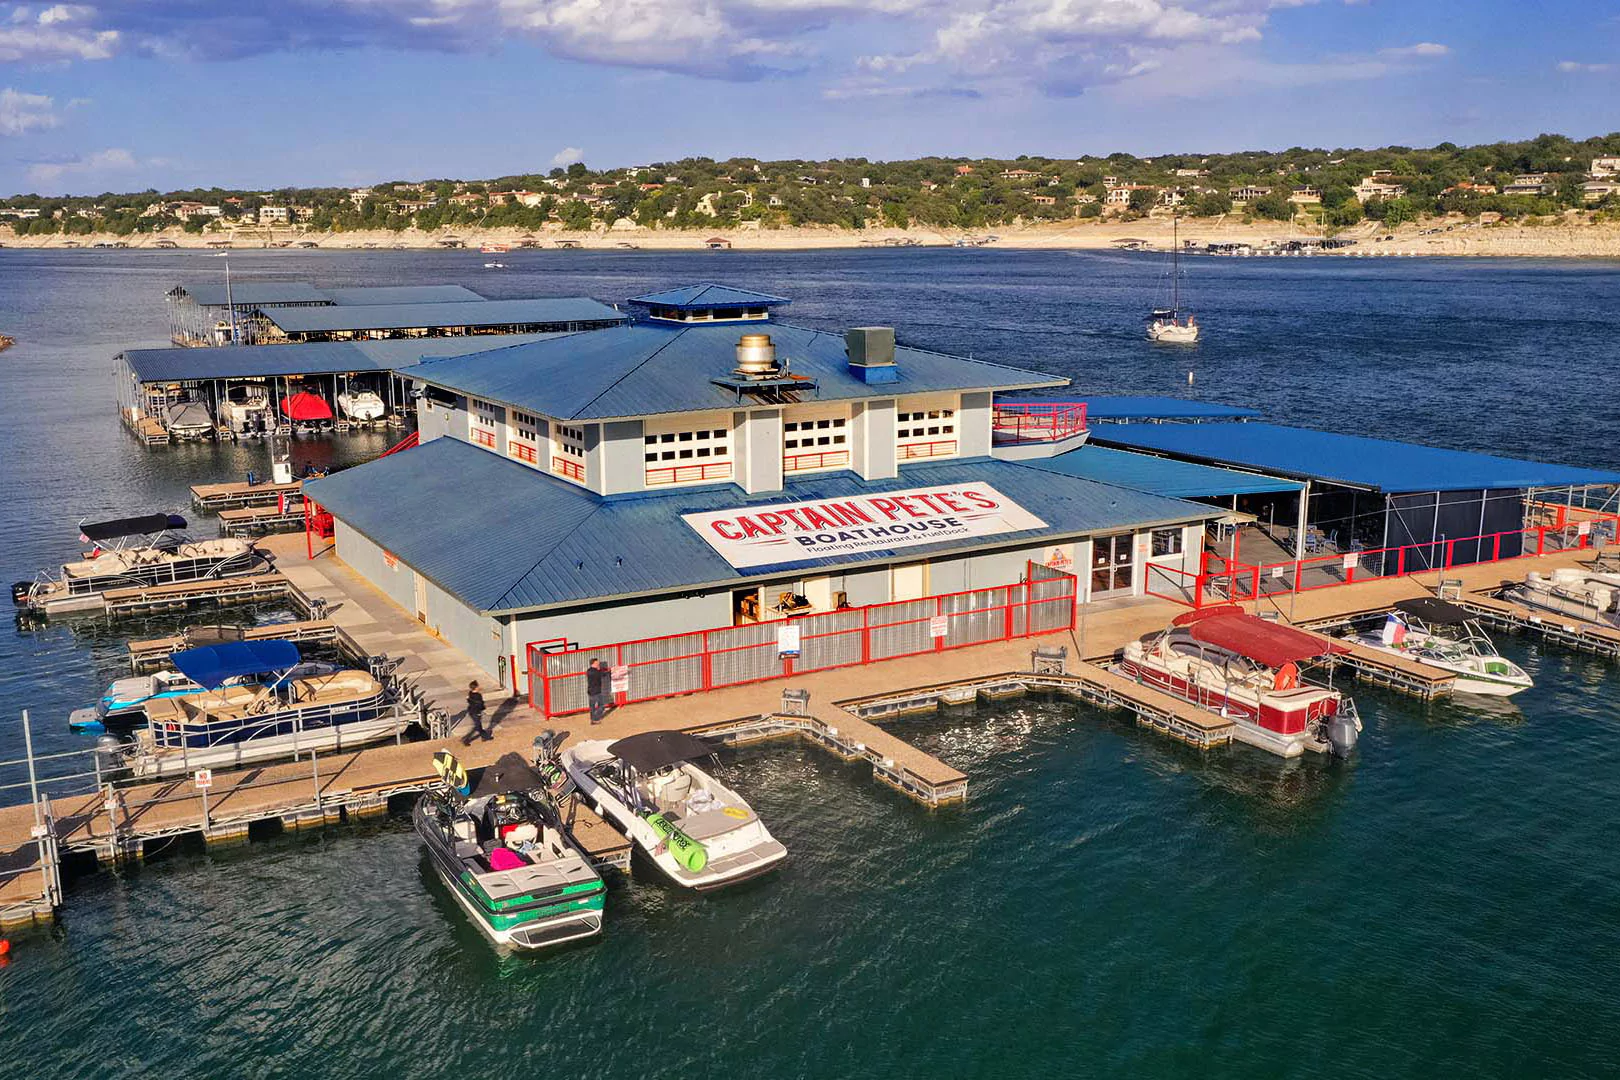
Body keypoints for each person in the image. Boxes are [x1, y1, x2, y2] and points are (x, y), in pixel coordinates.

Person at [586, 659, 611, 726]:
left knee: (592, 707)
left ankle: (593, 719)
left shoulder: (589, 671)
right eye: (597, 663)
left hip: (591, 691)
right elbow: (603, 674)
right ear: (594, 663)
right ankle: (595, 718)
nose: (598, 664)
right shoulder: (596, 672)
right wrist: (609, 671)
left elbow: (600, 673)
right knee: (601, 706)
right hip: (596, 691)